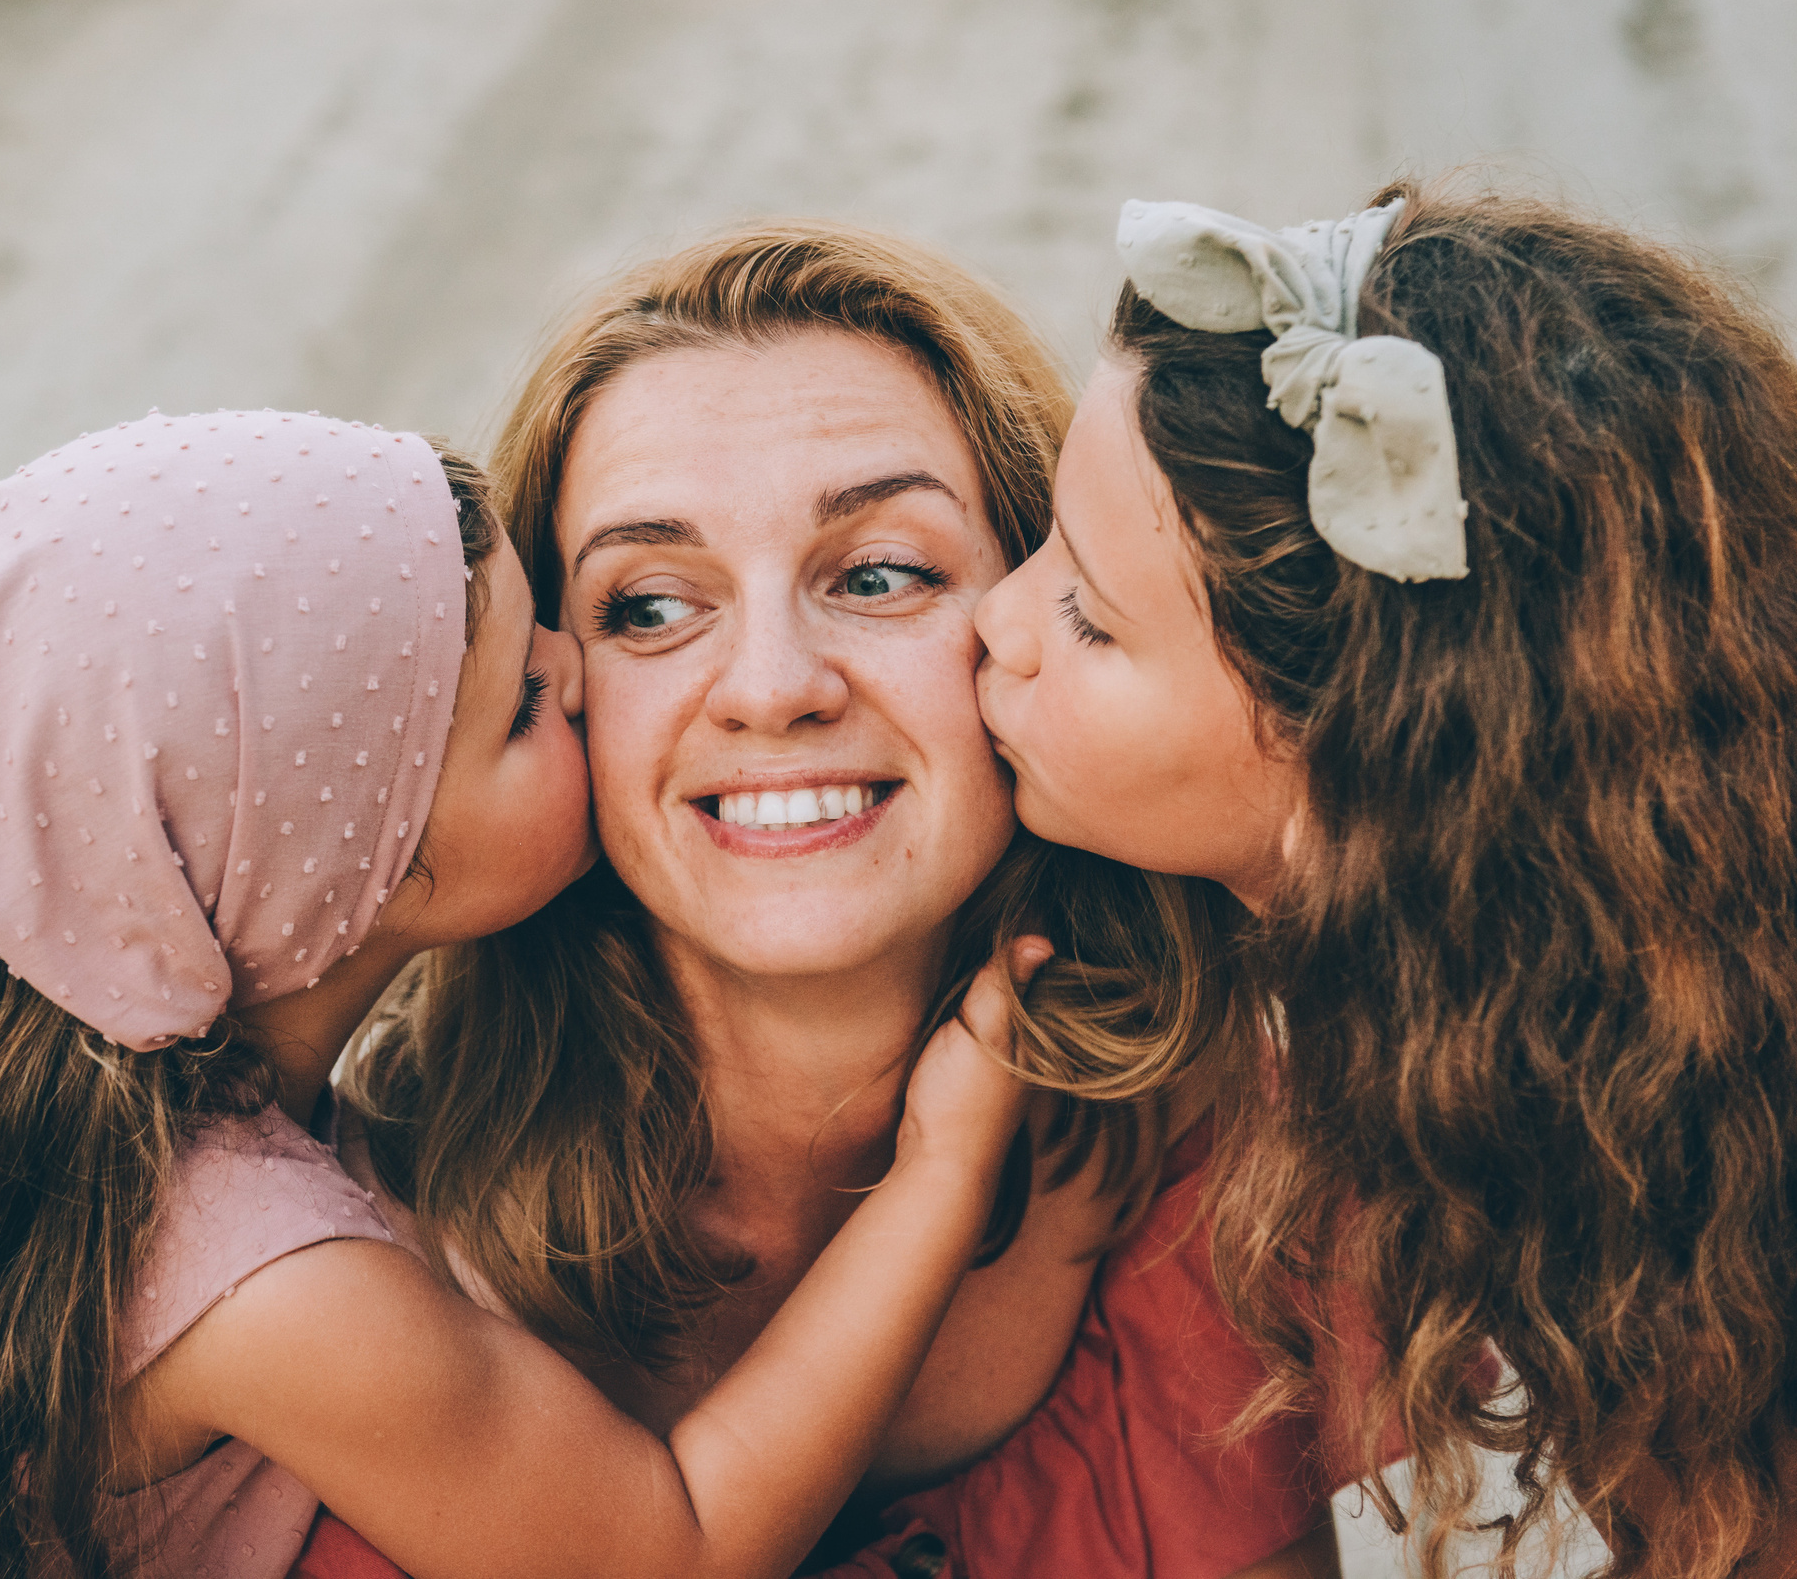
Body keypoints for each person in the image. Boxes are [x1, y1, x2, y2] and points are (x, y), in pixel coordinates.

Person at [0, 410, 1052, 1579]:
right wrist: (939, 1166)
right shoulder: (269, 1279)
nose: (580, 670)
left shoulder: (100, 1154)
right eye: (527, 704)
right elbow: (668, 1546)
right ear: (351, 871)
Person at [351, 223, 1342, 1579]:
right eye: (648, 604)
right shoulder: (350, 1216)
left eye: (879, 575)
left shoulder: (1249, 1179)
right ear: (538, 683)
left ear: (1042, 618)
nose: (773, 684)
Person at [971, 183, 1797, 1578]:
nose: (999, 620)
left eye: (1087, 615)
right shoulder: (1417, 1013)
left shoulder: (1673, 1207)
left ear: (1364, 771)